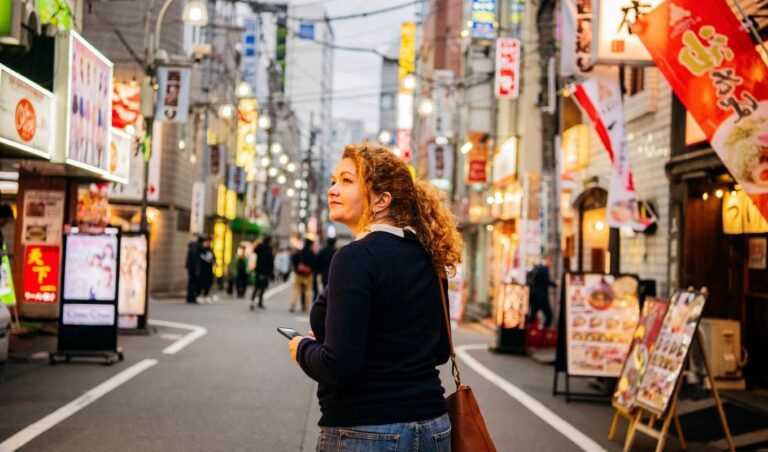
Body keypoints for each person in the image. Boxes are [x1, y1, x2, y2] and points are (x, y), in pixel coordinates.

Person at [287, 143, 462, 451]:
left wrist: (302, 348)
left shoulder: (355, 258)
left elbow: (338, 367)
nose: (332, 189)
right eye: (333, 180)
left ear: (381, 200)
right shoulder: (429, 255)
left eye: (347, 181)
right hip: (433, 427)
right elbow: (438, 351)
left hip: (365, 429)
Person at [527, 255, 557, 328]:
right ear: (548, 261)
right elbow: (546, 281)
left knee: (532, 317)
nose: (551, 265)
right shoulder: (544, 269)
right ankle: (544, 332)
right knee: (549, 316)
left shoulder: (539, 268)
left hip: (535, 296)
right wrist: (555, 284)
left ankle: (527, 331)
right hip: (541, 297)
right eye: (551, 262)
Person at [289, 238, 316, 313]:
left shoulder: (299, 252)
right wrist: (310, 269)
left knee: (296, 290)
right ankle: (307, 307)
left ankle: (293, 305)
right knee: (308, 291)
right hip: (308, 274)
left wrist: (297, 268)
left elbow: (294, 259)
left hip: (299, 274)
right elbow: (315, 264)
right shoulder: (312, 253)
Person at [251, 236, 274, 310]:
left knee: (256, 286)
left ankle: (252, 301)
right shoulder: (269, 249)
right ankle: (260, 302)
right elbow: (271, 262)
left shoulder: (260, 246)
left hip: (258, 270)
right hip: (265, 271)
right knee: (262, 287)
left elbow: (254, 250)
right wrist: (271, 272)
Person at [197, 235, 216, 303]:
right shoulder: (200, 250)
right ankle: (199, 295)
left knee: (208, 282)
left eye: (208, 242)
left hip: (209, 269)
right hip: (202, 269)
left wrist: (214, 262)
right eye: (206, 242)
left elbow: (213, 258)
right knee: (201, 282)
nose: (208, 243)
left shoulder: (210, 250)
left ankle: (206, 295)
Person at [185, 237, 201, 303]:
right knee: (193, 283)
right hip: (193, 268)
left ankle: (189, 297)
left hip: (190, 267)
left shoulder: (192, 247)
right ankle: (192, 297)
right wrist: (197, 268)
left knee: (191, 282)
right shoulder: (197, 247)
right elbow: (195, 259)